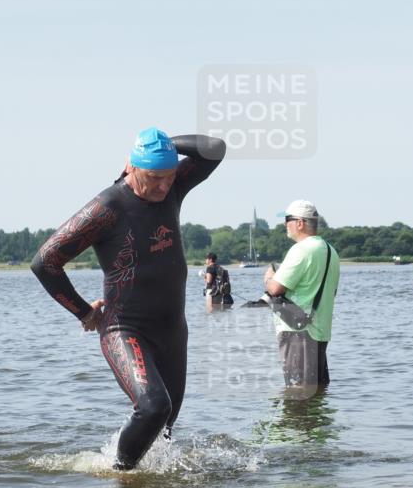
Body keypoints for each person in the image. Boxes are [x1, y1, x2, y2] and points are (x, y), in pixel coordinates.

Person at [31, 128, 226, 469]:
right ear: (132, 167)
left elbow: (215, 148)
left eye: (168, 176)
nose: (164, 186)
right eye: (154, 177)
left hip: (172, 330)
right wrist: (81, 310)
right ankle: (120, 475)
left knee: (163, 428)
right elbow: (45, 261)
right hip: (125, 329)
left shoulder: (173, 187)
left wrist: (166, 146)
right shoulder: (109, 207)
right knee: (153, 407)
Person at [264, 200, 340, 391]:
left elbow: (275, 289)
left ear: (300, 223)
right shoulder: (331, 251)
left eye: (288, 219)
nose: (285, 225)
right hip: (320, 332)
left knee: (298, 393)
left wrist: (269, 277)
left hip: (298, 333)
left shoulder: (301, 250)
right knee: (317, 393)